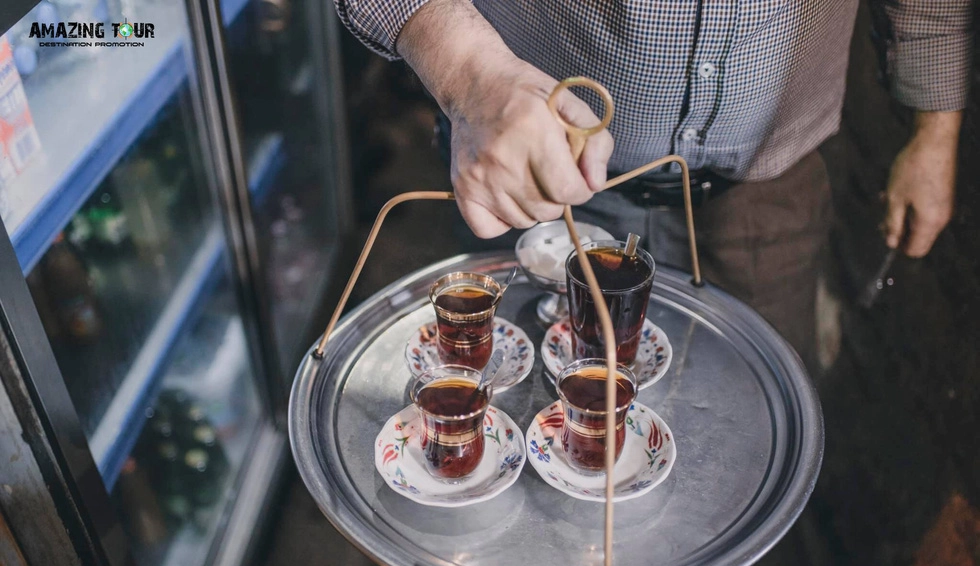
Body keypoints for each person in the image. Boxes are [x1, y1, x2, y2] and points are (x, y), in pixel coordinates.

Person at [333, 0, 971, 368]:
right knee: (531, 424)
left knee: (749, 434)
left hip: (765, 194)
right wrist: (469, 75)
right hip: (535, 192)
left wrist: (935, 132)